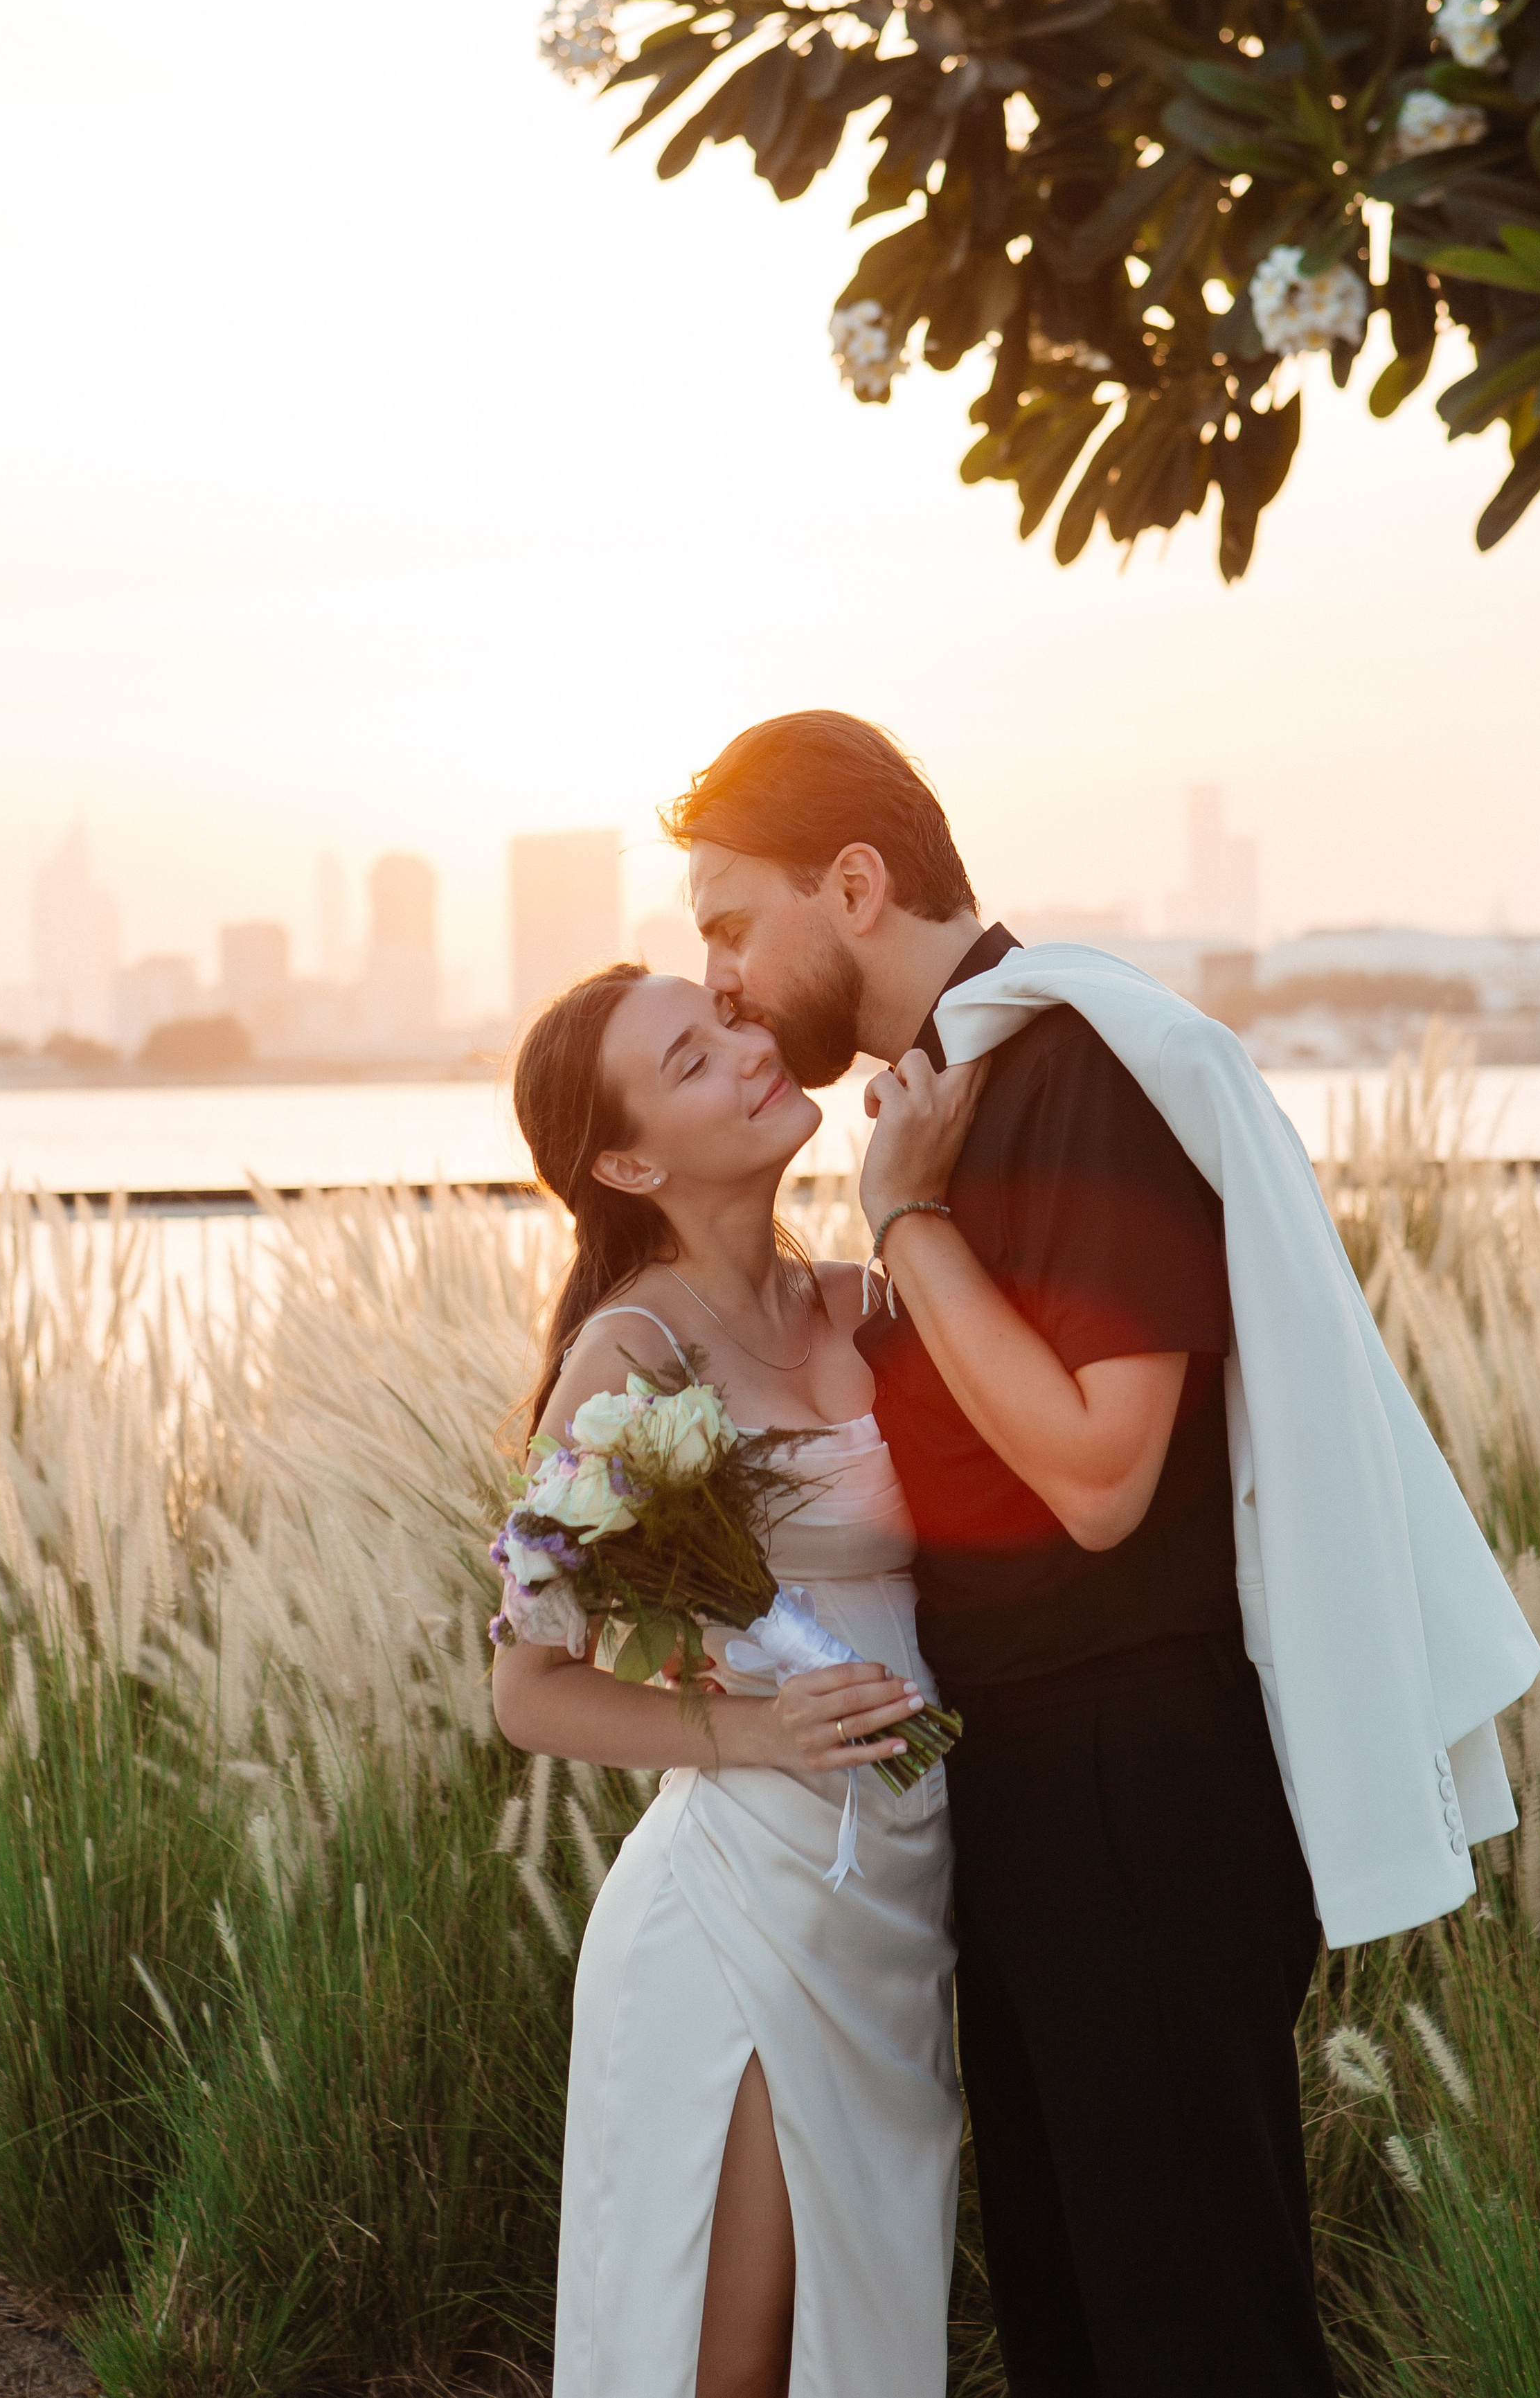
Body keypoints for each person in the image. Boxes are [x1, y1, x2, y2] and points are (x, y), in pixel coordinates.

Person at [663, 710, 1348, 2397]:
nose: (724, 982)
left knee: (1192, 2330)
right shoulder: (949, 1101)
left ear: (852, 882)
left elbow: (1104, 1478)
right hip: (1031, 1793)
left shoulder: (1070, 1072)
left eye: (730, 926)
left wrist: (905, 1221)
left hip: (1138, 1781)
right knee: (1078, 2321)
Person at [490, 962, 960, 2398]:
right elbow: (526, 1684)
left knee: (862, 2337)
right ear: (629, 1161)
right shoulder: (631, 1353)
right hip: (743, 1910)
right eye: (693, 1061)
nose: (752, 1050)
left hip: (894, 1888)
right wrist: (751, 1727)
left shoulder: (862, 1295)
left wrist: (913, 1195)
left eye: (729, 1023)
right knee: (731, 2360)